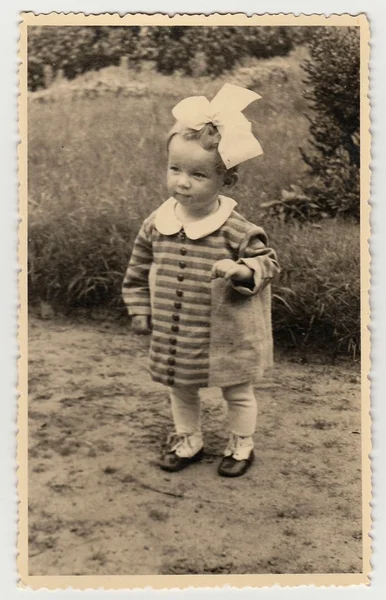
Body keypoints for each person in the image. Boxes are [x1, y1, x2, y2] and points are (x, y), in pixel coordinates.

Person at [122, 83, 280, 477]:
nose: (183, 182)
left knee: (237, 390)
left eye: (198, 174)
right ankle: (187, 438)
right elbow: (138, 269)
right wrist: (140, 308)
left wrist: (242, 270)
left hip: (227, 335)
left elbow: (268, 264)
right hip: (178, 331)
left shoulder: (236, 229)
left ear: (226, 182)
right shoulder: (158, 222)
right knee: (180, 387)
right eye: (175, 169)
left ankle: (242, 444)